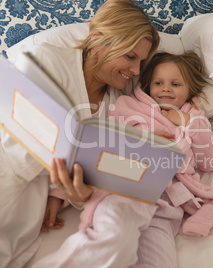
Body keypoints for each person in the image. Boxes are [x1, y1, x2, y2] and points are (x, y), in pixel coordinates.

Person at [33, 52, 213, 267]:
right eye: (158, 82)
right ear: (147, 84)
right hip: (128, 186)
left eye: (175, 84)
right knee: (112, 240)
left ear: (189, 90)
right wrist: (59, 193)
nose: (166, 88)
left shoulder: (194, 117)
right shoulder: (127, 108)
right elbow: (97, 152)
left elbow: (211, 161)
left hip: (167, 205)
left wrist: (187, 121)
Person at [0, 0, 159, 267]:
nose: (135, 71)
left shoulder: (119, 106)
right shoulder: (45, 59)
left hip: (27, 213)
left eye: (141, 61)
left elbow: (97, 172)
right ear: (97, 40)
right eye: (130, 57)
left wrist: (74, 195)